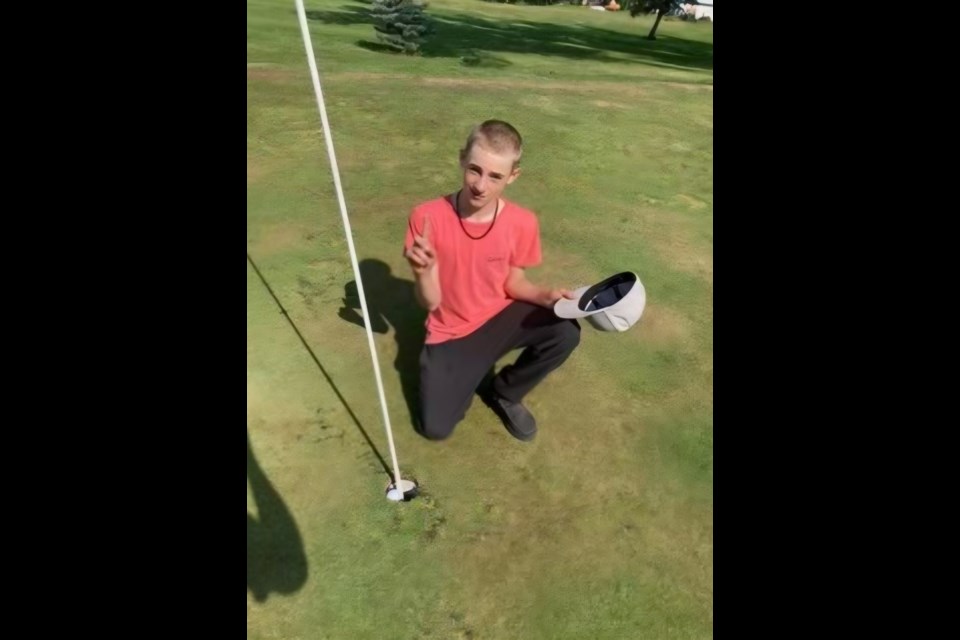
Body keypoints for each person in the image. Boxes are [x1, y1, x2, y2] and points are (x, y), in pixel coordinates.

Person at [403, 120, 581, 442]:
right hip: (451, 333)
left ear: (513, 176)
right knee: (435, 428)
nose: (481, 185)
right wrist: (423, 272)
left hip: (500, 318)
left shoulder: (523, 222)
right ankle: (467, 374)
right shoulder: (426, 217)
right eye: (475, 170)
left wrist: (545, 296)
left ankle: (505, 392)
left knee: (566, 330)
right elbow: (430, 303)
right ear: (462, 159)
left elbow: (514, 284)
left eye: (495, 176)